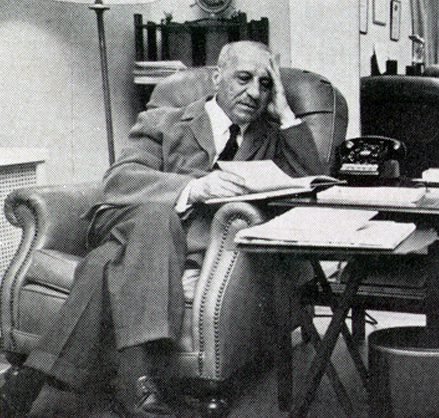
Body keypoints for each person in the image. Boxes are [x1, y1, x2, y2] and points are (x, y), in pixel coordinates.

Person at [0, 41, 324, 418]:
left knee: (106, 264)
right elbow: (120, 180)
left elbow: (311, 183)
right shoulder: (165, 121)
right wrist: (191, 188)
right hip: (129, 223)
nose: (254, 92)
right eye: (244, 78)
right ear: (217, 78)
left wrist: (284, 111)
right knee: (158, 217)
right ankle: (136, 375)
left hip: (169, 249)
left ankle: (38, 378)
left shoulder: (269, 136)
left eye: (266, 84)